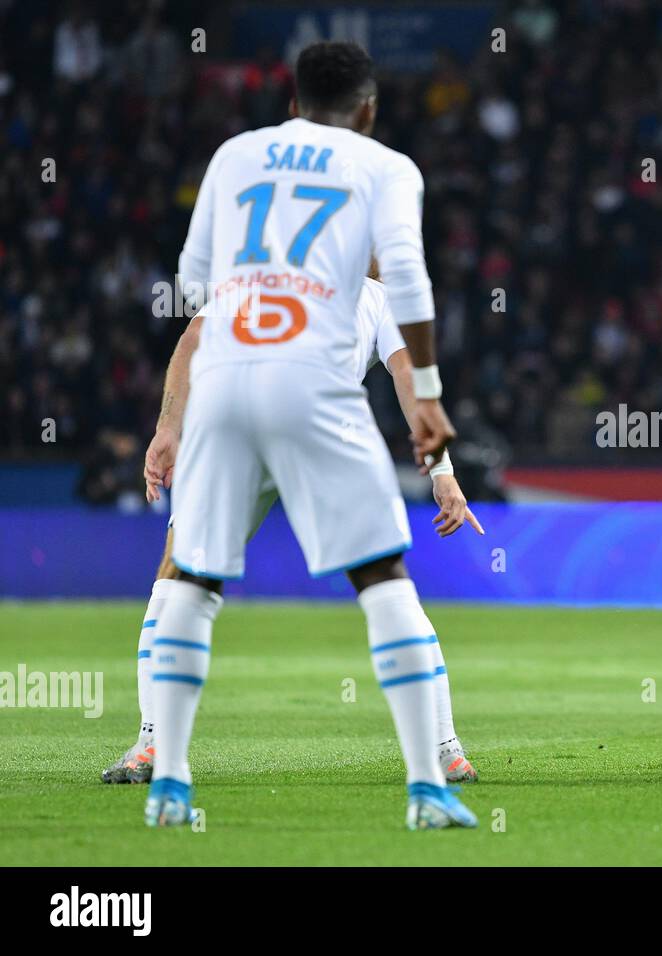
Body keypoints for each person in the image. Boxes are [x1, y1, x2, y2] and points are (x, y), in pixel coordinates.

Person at [148, 41, 474, 828]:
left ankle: (171, 781)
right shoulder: (387, 168)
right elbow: (409, 278)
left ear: (292, 104)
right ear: (368, 111)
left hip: (226, 378)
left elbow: (194, 286)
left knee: (191, 577)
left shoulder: (234, 156)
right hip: (313, 385)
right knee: (381, 576)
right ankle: (428, 786)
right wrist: (427, 401)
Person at [103, 275, 483, 787]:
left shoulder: (256, 269)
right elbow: (406, 374)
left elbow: (195, 337)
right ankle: (444, 752)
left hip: (234, 424)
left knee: (177, 579)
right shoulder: (375, 293)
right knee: (386, 581)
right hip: (322, 426)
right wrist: (441, 471)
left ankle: (153, 744)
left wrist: (168, 428)